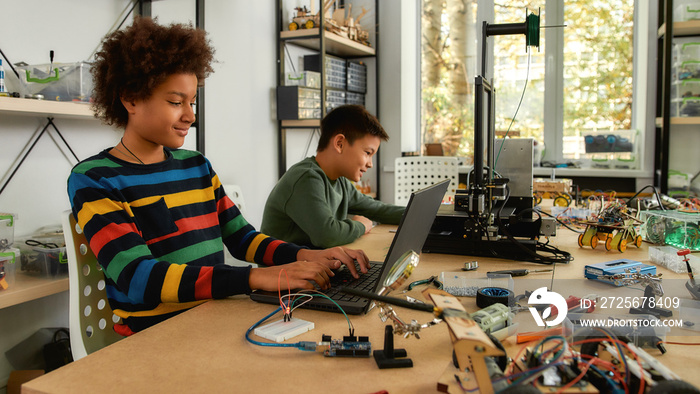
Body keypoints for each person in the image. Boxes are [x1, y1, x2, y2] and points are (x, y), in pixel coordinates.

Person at [67, 17, 369, 335]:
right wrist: (255, 277)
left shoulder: (196, 166)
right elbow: (139, 277)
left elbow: (242, 239)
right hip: (155, 336)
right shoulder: (95, 179)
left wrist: (309, 255)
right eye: (175, 102)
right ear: (130, 98)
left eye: (192, 102)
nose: (191, 115)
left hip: (214, 317)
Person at [261, 105, 405, 249]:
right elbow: (327, 236)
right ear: (339, 144)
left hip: (315, 265)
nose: (370, 164)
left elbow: (377, 209)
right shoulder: (306, 178)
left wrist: (422, 215)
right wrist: (360, 225)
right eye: (367, 153)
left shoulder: (339, 181)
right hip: (285, 270)